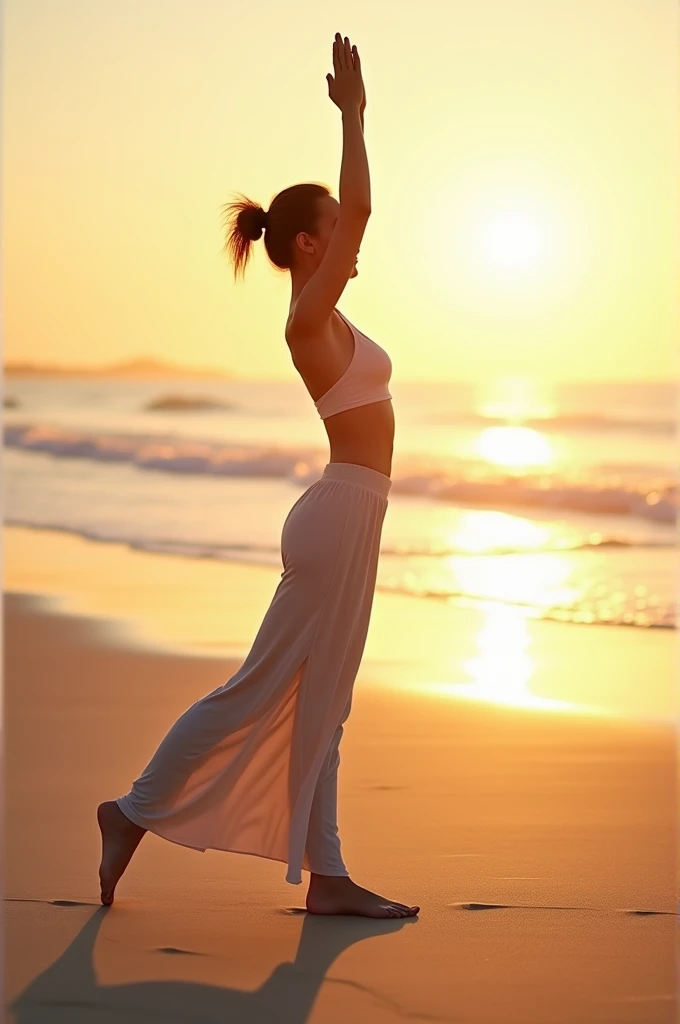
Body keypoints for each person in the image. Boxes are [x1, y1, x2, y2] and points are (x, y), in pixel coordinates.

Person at [97, 32, 419, 920]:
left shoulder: (329, 314)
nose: (356, 248)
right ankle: (130, 811)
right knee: (258, 688)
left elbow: (352, 218)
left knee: (329, 699)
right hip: (337, 515)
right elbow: (359, 208)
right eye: (340, 238)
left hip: (355, 515)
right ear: (309, 245)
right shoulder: (307, 321)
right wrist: (354, 116)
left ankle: (329, 876)